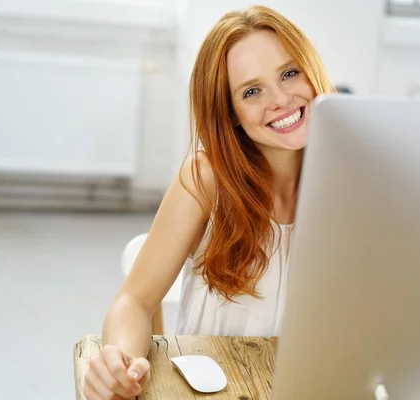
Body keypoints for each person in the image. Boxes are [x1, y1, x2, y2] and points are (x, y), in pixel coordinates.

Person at [82, 5, 335, 400]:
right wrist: (119, 363)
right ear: (229, 113)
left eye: (289, 73)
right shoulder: (206, 180)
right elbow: (135, 300)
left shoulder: (350, 180)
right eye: (252, 91)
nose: (282, 99)